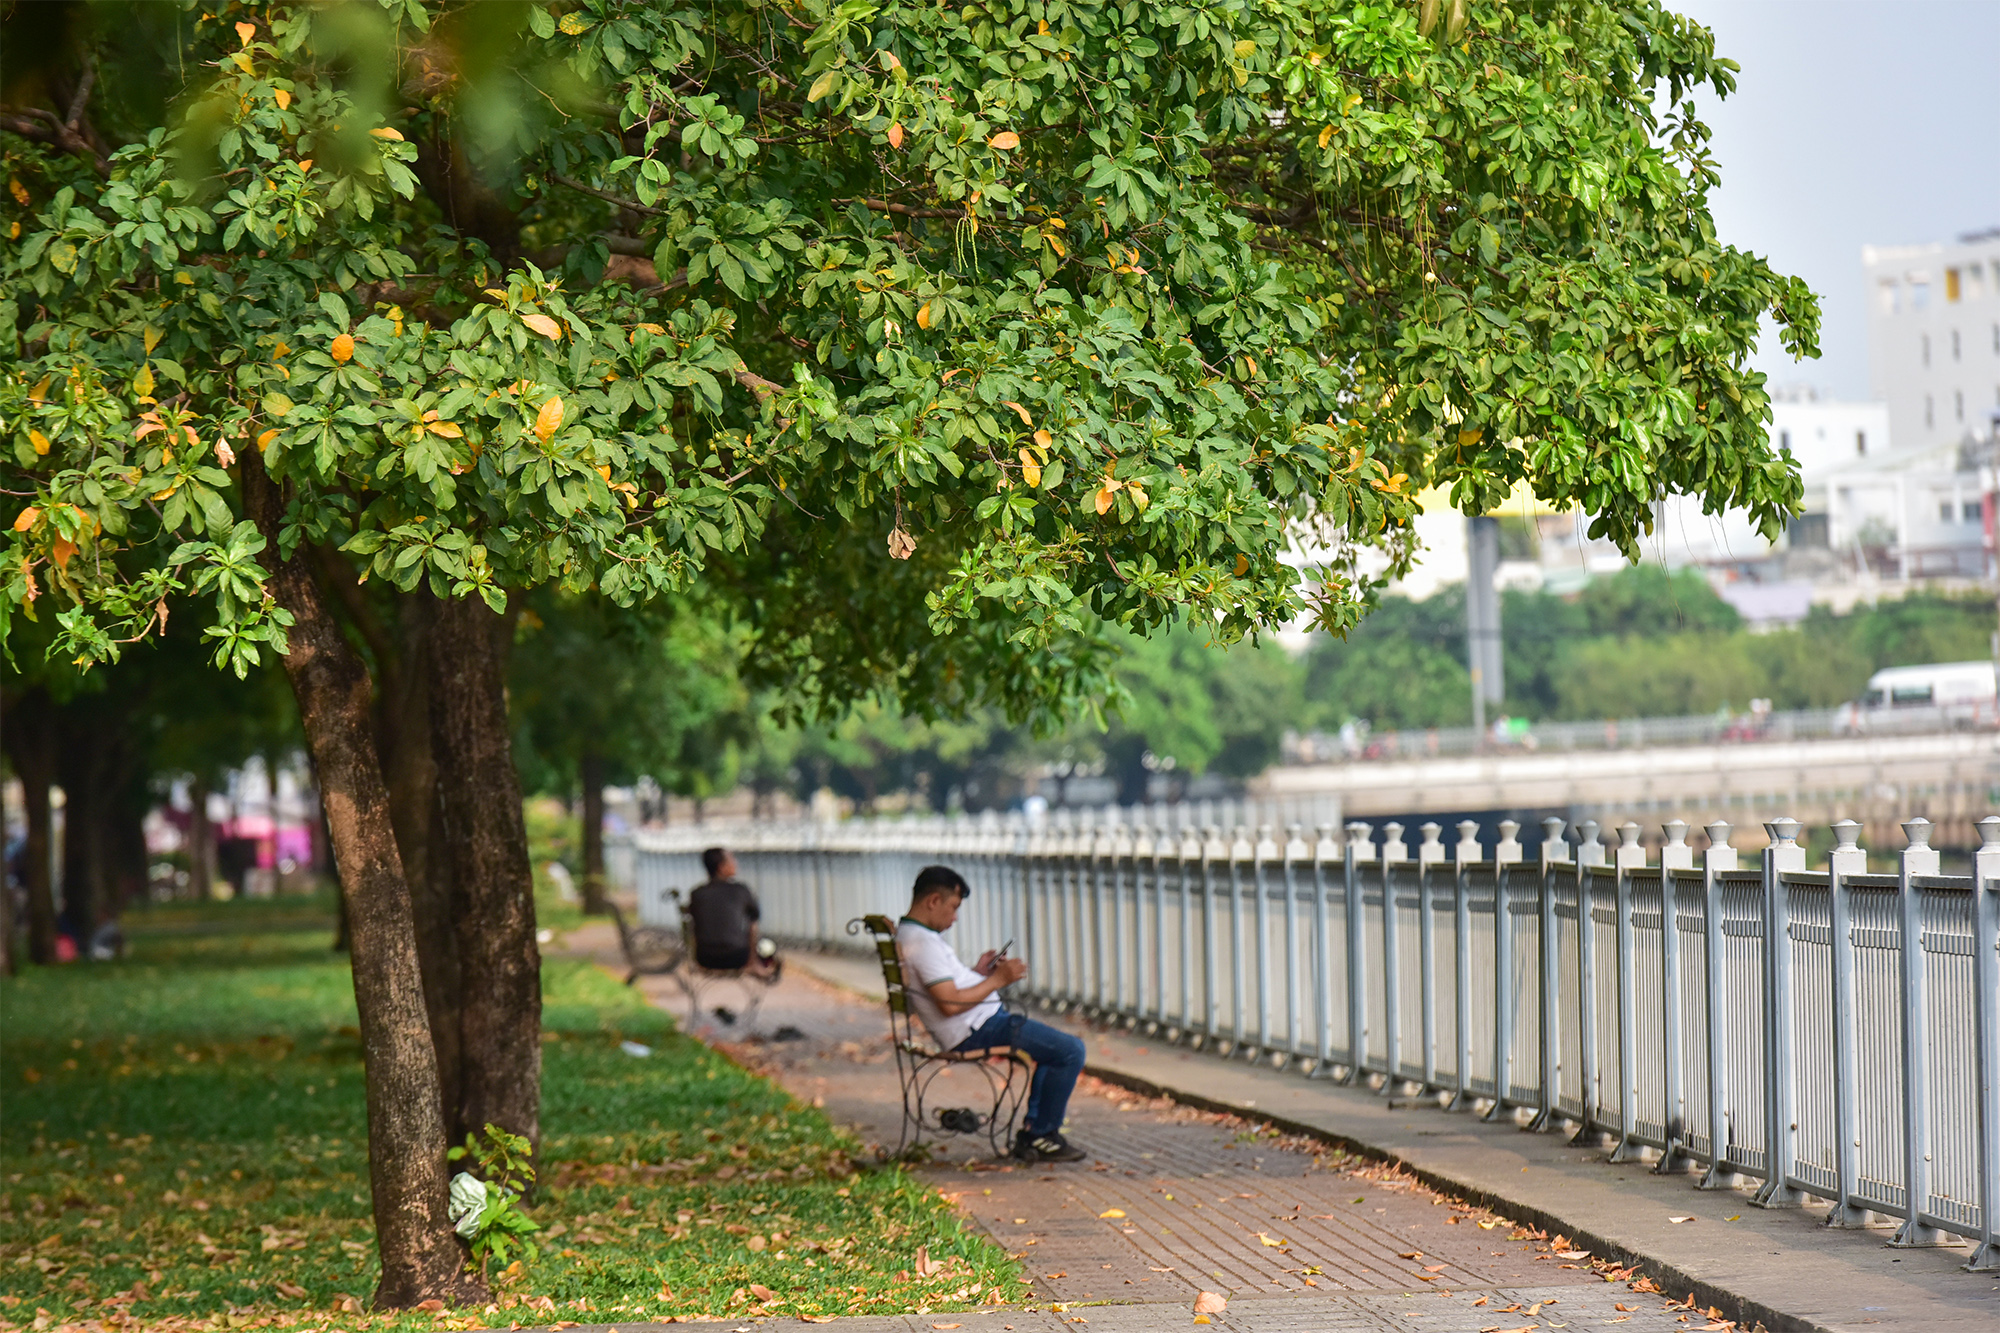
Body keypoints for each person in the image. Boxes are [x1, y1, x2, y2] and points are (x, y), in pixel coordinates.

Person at [895, 864, 1088, 1163]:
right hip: (977, 1029)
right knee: (1070, 1050)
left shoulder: (913, 935)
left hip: (978, 1022)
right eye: (953, 907)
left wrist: (977, 973)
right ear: (933, 901)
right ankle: (1040, 1135)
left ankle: (1039, 1132)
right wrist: (998, 980)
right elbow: (949, 1004)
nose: (955, 917)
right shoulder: (922, 942)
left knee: (1059, 1050)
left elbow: (947, 991)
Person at [687, 848, 778, 978]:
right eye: (732, 860)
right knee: (753, 925)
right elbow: (755, 917)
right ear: (721, 867)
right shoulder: (740, 891)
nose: (736, 863)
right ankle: (754, 964)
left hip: (705, 958)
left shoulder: (696, 893)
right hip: (737, 957)